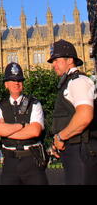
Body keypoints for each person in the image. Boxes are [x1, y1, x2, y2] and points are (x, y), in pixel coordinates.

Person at [48, 39, 97, 185]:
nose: (53, 65)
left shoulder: (78, 81)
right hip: (74, 150)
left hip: (82, 151)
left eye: (56, 60)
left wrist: (61, 137)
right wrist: (57, 143)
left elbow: (84, 116)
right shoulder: (68, 83)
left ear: (70, 60)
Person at [0, 62, 48, 185]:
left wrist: (7, 131)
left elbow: (35, 131)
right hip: (10, 162)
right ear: (6, 84)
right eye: (12, 80)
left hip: (32, 160)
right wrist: (22, 126)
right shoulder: (0, 107)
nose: (16, 83)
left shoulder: (34, 104)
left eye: (19, 80)